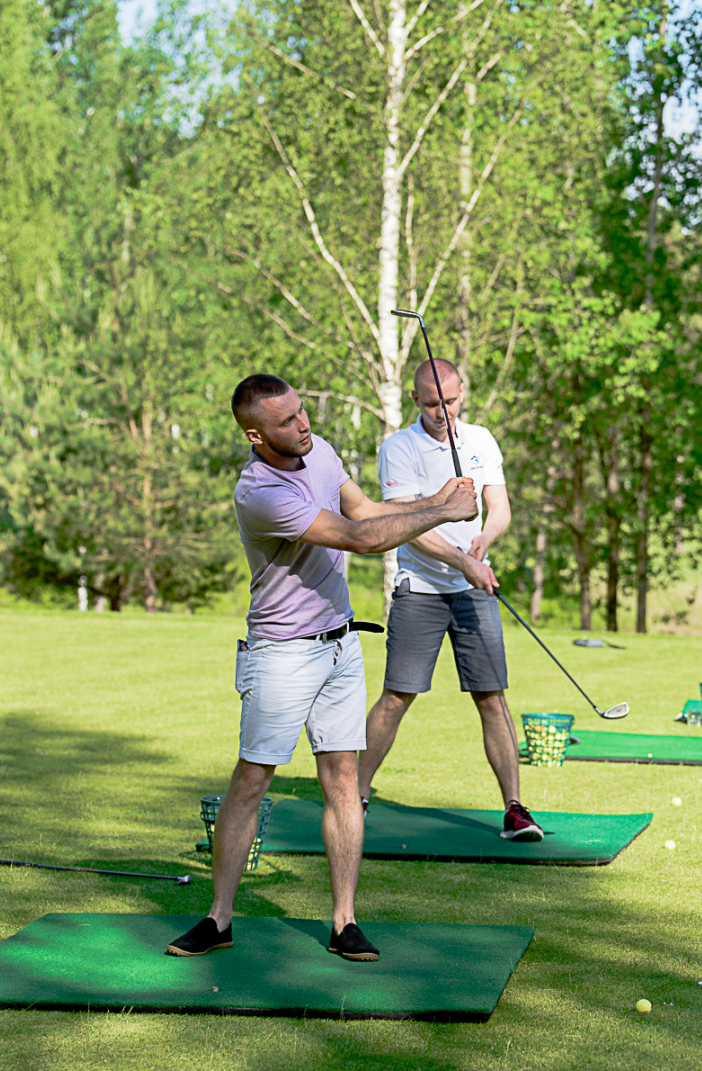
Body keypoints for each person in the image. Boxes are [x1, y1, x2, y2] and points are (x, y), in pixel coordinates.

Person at [167, 373, 479, 961]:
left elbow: (368, 508)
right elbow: (358, 538)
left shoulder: (321, 450)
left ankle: (344, 922)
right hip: (282, 651)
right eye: (286, 422)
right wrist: (440, 511)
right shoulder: (259, 492)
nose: (303, 425)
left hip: (341, 646)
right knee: (253, 779)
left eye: (302, 412)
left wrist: (432, 499)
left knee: (342, 779)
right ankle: (219, 918)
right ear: (256, 435)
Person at [357, 359, 543, 842]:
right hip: (420, 588)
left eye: (452, 400)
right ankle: (355, 794)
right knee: (398, 695)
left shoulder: (480, 440)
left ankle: (516, 809)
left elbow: (498, 507)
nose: (444, 410)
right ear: (416, 400)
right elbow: (404, 525)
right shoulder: (398, 447)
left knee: (491, 696)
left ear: (463, 394)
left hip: (472, 587)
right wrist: (462, 562)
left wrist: (483, 542)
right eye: (434, 402)